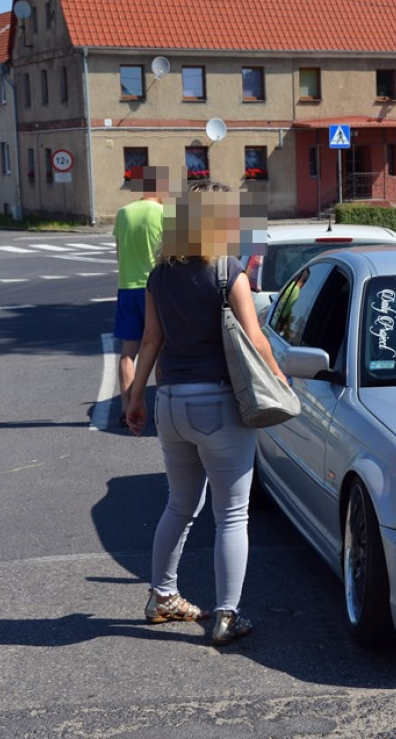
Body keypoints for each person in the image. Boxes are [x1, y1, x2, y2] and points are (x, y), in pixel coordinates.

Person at [126, 187, 280, 647]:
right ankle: (227, 615)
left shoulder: (158, 277)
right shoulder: (226, 272)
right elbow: (254, 337)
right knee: (232, 515)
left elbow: (150, 342)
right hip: (218, 404)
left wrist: (134, 399)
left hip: (170, 403)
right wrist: (280, 379)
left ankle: (163, 596)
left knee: (179, 505)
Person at [113, 166, 172, 426]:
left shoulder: (123, 213)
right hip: (156, 286)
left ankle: (127, 409)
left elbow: (119, 250)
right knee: (159, 348)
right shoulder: (164, 213)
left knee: (128, 351)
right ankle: (160, 408)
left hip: (127, 286)